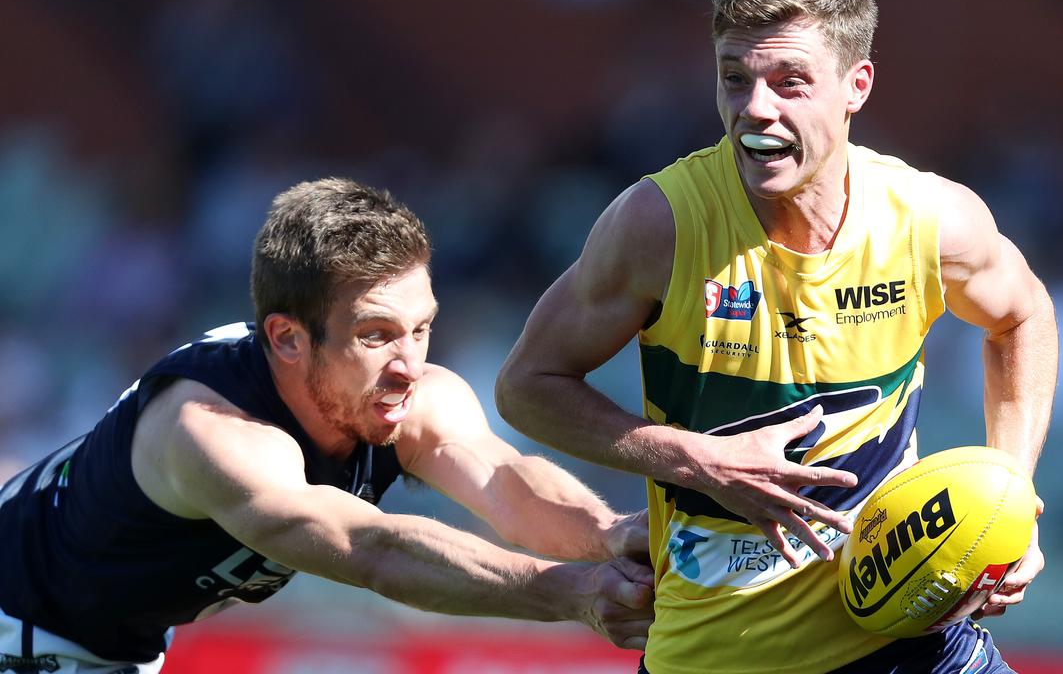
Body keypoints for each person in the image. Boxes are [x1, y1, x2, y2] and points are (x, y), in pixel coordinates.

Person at [494, 0, 1058, 672]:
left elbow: (1024, 318)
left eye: (790, 83)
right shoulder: (659, 224)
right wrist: (698, 461)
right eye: (735, 77)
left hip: (911, 644)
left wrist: (1012, 496)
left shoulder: (931, 220)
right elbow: (525, 387)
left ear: (857, 86)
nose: (756, 107)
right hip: (717, 655)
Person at [0, 178, 654, 673]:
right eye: (375, 336)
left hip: (110, 638)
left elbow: (506, 486)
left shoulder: (407, 398)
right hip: (22, 621)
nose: (408, 365)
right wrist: (574, 594)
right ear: (287, 338)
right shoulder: (209, 430)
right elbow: (375, 552)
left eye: (421, 328)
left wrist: (615, 535)